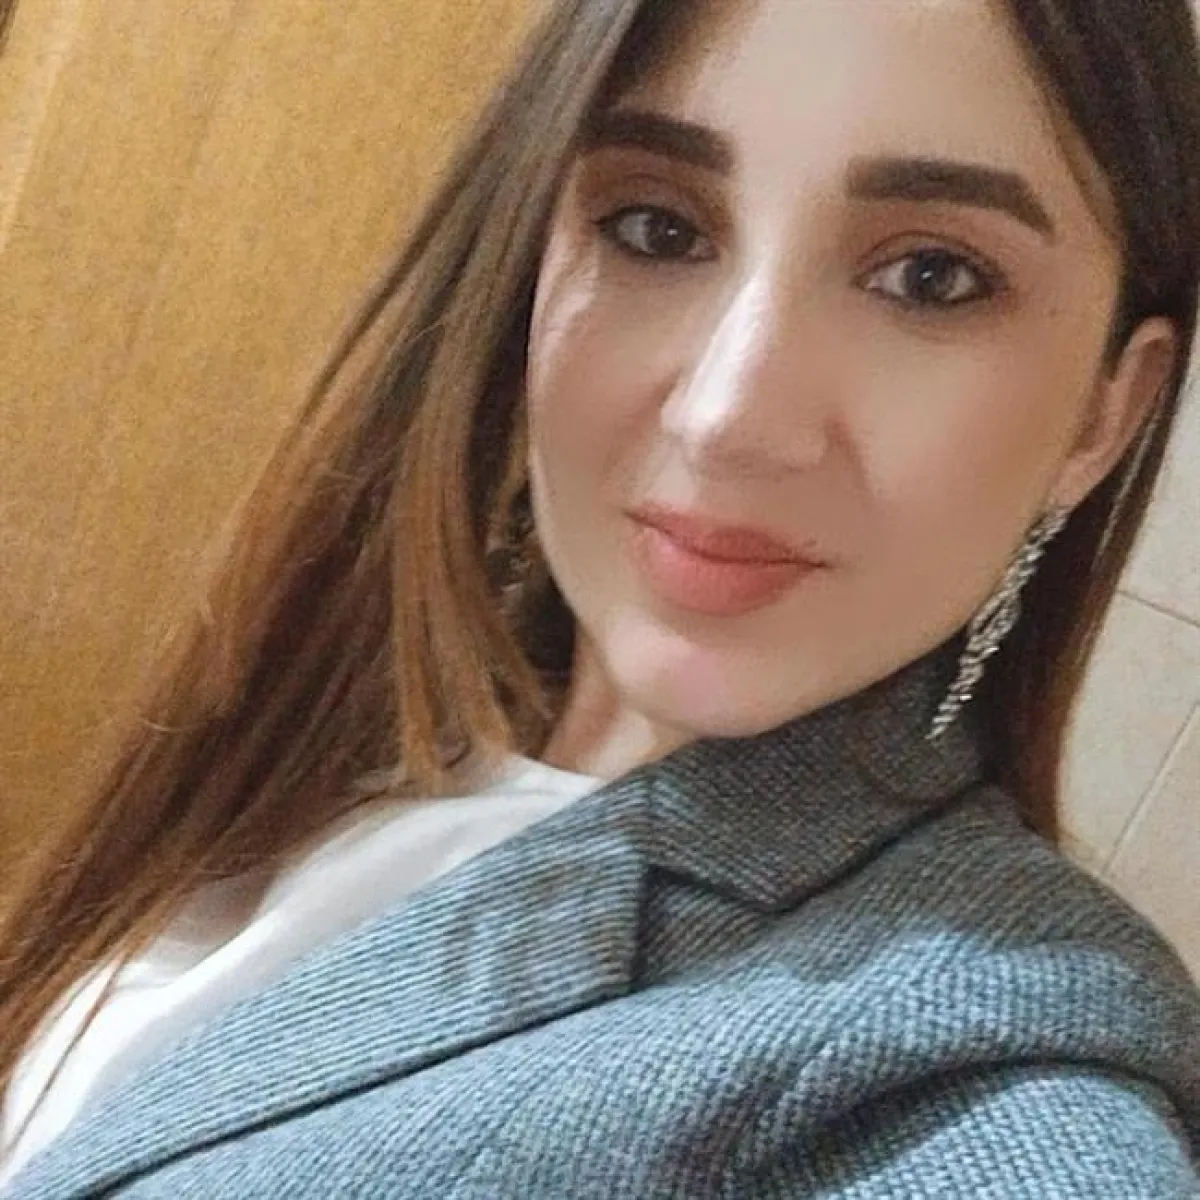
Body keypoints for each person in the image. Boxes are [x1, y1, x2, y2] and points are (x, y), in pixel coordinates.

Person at [2, 0, 1198, 1193]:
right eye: (655, 228)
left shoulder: (996, 1090)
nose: (727, 416)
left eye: (932, 278)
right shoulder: (347, 730)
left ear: (1107, 413)